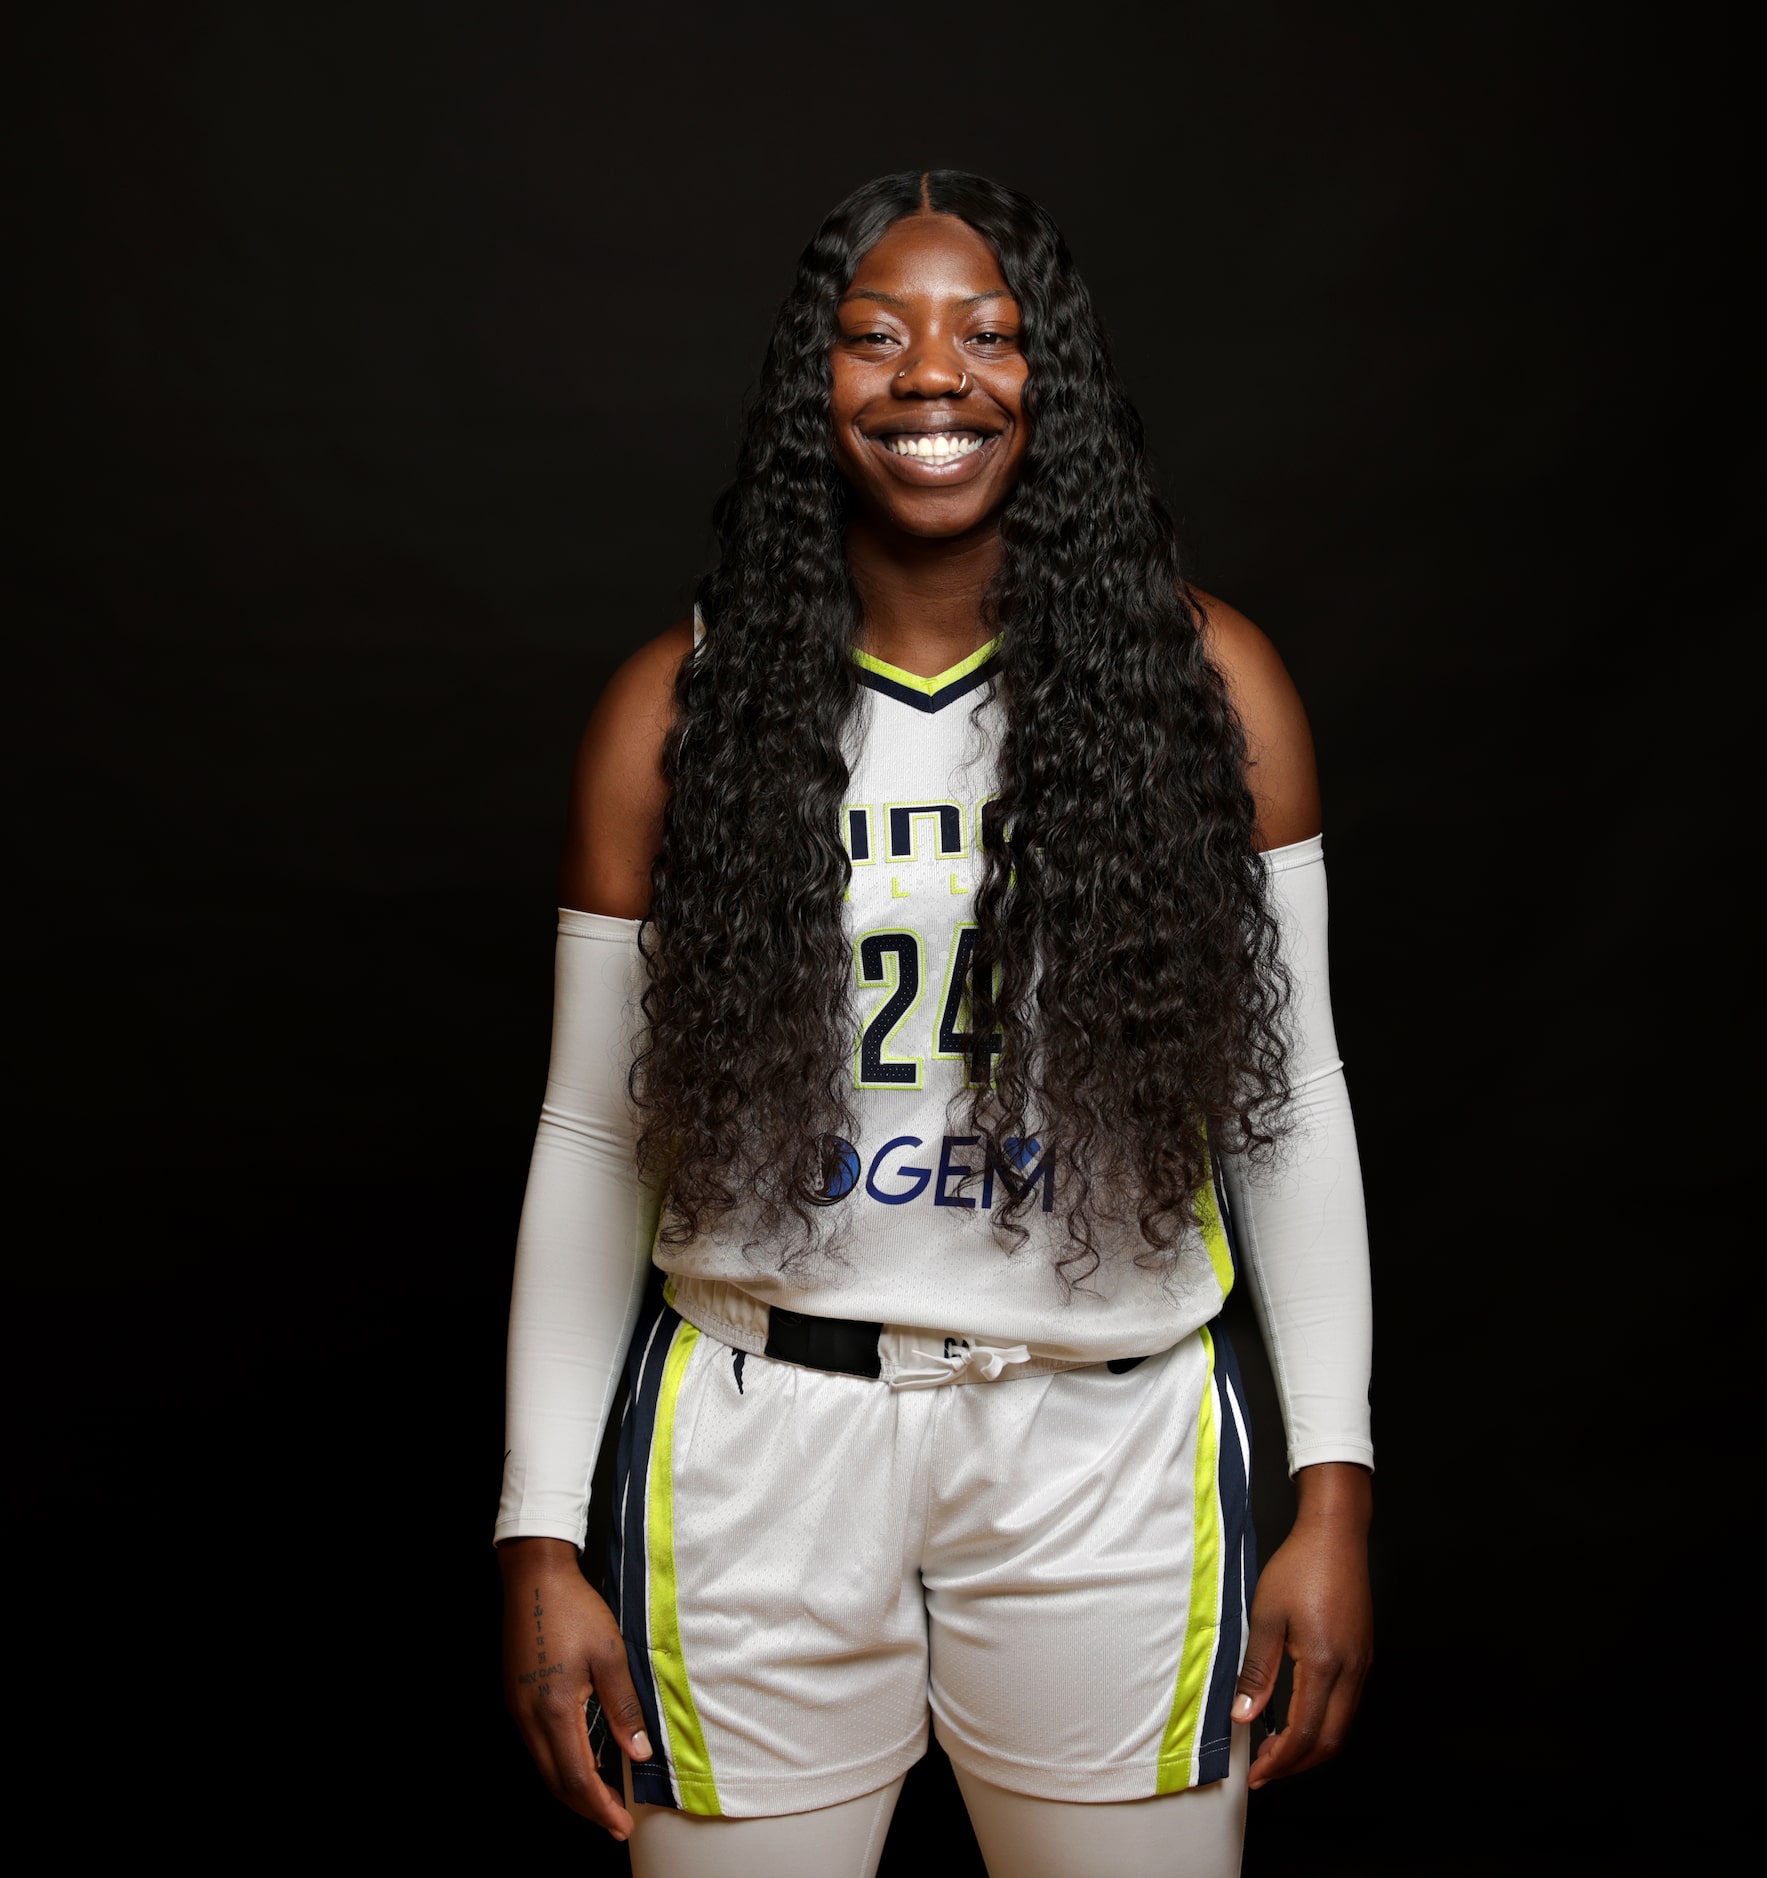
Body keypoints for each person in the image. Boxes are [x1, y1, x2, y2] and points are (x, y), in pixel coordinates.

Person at [494, 170, 1374, 1878]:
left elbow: (1292, 1101)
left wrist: (1331, 1482)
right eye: (874, 336)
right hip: (756, 1440)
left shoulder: (1212, 690)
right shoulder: (670, 712)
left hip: (1106, 1440)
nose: (930, 379)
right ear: (807, 385)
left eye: (988, 335)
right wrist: (537, 1529)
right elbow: (594, 1135)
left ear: (1056, 382)